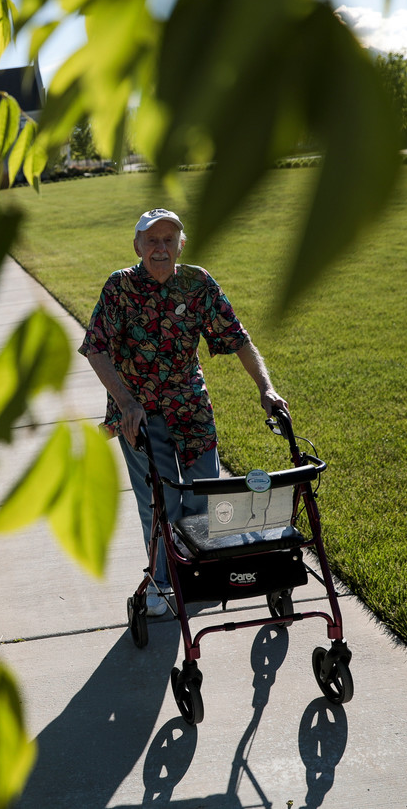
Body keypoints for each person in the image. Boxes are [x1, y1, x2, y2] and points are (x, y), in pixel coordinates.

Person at [79, 208, 288, 616]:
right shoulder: (119, 287)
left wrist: (267, 388)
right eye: (152, 240)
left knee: (204, 496)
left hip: (190, 407)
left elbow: (238, 338)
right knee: (159, 502)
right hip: (137, 413)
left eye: (168, 240)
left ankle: (201, 575)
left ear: (181, 245)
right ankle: (161, 582)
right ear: (137, 245)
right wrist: (125, 401)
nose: (160, 248)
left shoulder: (198, 283)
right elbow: (96, 348)